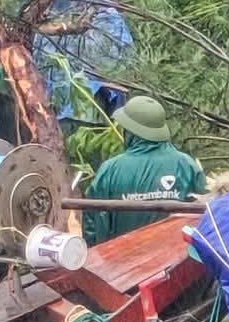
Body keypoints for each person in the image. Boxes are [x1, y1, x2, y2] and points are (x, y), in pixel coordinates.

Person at [81, 95, 206, 243]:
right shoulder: (187, 166)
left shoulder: (110, 170)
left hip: (123, 255)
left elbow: (93, 226)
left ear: (130, 131)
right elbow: (205, 219)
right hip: (176, 255)